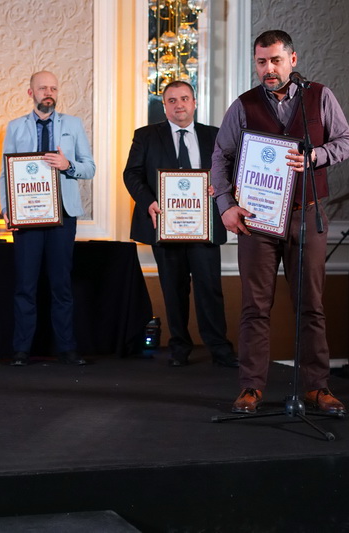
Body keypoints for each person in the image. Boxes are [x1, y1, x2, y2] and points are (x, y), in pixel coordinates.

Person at [211, 30, 349, 414]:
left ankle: (316, 388)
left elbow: (347, 141)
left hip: (306, 213)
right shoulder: (243, 105)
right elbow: (220, 157)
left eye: (275, 60)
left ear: (292, 59)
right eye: (261, 62)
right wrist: (225, 206)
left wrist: (316, 156)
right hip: (256, 218)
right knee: (255, 306)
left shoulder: (319, 96)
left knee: (311, 306)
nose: (268, 69)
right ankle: (251, 388)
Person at [123, 80, 238, 368]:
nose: (179, 105)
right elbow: (132, 174)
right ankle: (179, 348)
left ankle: (219, 348)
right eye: (172, 100)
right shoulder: (146, 136)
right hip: (165, 225)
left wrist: (220, 186)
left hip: (204, 226)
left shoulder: (215, 135)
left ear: (194, 102)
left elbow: (232, 171)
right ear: (164, 106)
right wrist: (148, 201)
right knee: (173, 290)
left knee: (209, 289)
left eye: (184, 98)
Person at [0, 70, 96, 366]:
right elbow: (5, 173)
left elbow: (89, 168)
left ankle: (67, 348)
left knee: (61, 284)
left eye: (53, 88)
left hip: (63, 214)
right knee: (25, 284)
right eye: (42, 88)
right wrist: (7, 209)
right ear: (31, 93)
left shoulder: (73, 124)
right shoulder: (15, 127)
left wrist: (67, 165)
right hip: (26, 214)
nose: (48, 92)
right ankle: (21, 349)